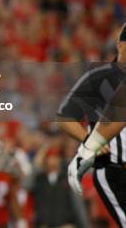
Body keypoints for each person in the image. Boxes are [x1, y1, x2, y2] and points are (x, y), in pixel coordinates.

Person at [59, 22, 126, 226]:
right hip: (116, 169)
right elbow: (65, 116)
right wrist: (88, 141)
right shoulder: (98, 78)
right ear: (120, 45)